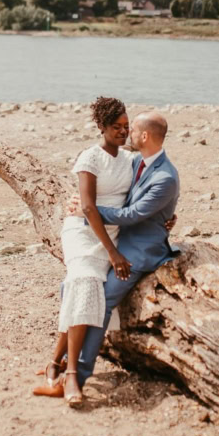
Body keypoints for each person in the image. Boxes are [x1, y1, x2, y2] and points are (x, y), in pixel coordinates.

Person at [34, 107, 180, 402]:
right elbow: (110, 178)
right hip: (115, 238)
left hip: (139, 250)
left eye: (132, 129)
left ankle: (77, 376)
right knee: (70, 288)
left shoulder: (164, 176)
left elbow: (134, 212)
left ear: (145, 135)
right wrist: (83, 203)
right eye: (122, 127)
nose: (127, 133)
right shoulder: (138, 160)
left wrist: (89, 211)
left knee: (100, 301)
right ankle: (58, 360)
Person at [34, 96, 135, 406]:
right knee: (86, 281)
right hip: (81, 233)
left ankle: (55, 362)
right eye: (116, 126)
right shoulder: (89, 158)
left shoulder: (130, 160)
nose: (122, 132)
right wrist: (113, 254)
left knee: (83, 291)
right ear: (102, 127)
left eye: (126, 126)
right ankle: (73, 376)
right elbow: (88, 206)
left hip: (113, 232)